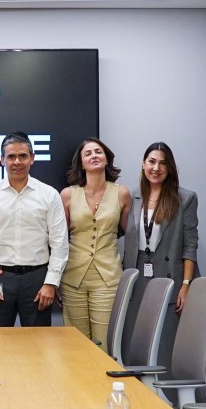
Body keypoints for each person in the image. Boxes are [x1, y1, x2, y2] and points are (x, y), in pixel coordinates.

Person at [0, 131, 68, 327]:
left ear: (32, 158)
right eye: (11, 156)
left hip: (37, 280)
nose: (17, 161)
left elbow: (59, 244)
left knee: (38, 345)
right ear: (2, 160)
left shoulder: (49, 195)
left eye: (23, 156)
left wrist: (51, 283)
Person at [121, 141, 199, 368]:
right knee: (136, 342)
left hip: (170, 278)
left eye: (163, 163)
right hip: (138, 278)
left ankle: (166, 401)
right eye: (152, 162)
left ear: (170, 168)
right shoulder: (132, 197)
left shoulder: (185, 198)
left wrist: (186, 284)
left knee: (165, 344)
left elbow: (190, 244)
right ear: (143, 164)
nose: (156, 168)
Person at [59, 138, 131, 349]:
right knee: (77, 347)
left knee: (105, 345)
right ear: (81, 163)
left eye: (98, 151)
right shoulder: (68, 195)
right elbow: (59, 240)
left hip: (108, 277)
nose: (94, 156)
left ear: (106, 158)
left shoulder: (122, 193)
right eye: (88, 153)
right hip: (73, 278)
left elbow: (129, 234)